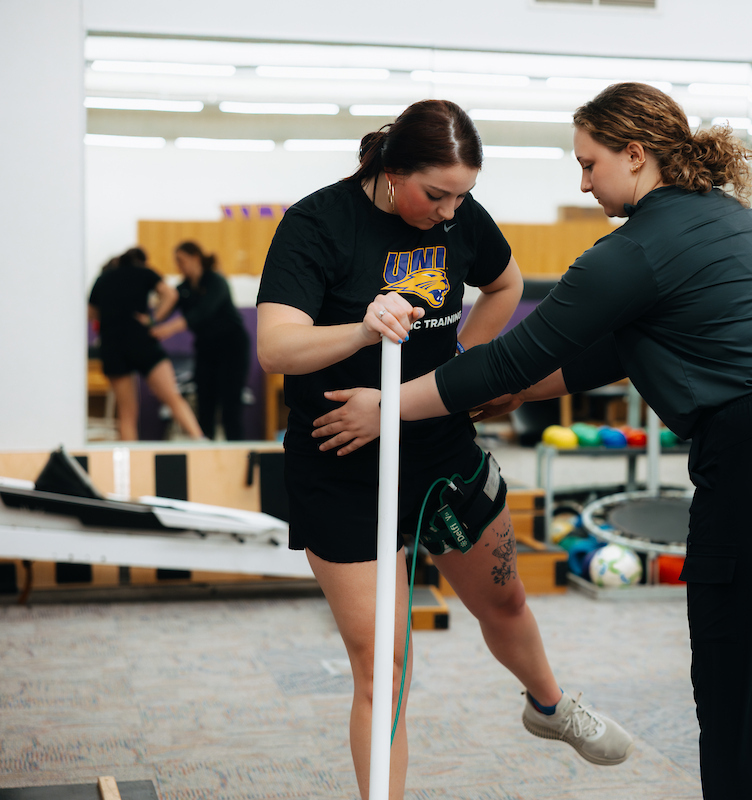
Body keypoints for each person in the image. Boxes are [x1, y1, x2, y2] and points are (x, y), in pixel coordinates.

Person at [377, 83, 752, 800]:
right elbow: (597, 355)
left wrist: (389, 406)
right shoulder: (731, 222)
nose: (582, 181)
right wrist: (509, 396)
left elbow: (515, 356)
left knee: (737, 705)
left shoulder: (634, 249)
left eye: (589, 163)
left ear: (636, 155)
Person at [255, 99, 633, 800]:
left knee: (506, 604)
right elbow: (276, 347)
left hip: (436, 446)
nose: (452, 211)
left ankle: (549, 707)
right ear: (391, 171)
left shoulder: (459, 215)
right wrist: (363, 330)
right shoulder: (317, 225)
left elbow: (506, 283)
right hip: (338, 460)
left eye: (464, 194)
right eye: (437, 194)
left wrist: (464, 370)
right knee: (385, 662)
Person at [88, 247, 204, 441]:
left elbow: (91, 314)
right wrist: (154, 318)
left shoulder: (102, 279)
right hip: (141, 341)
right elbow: (170, 295)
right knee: (172, 397)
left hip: (113, 346)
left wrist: (112, 316)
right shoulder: (144, 272)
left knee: (127, 413)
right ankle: (199, 441)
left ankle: (129, 464)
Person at [149, 242, 251, 440]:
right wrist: (154, 315)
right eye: (176, 262)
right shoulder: (183, 288)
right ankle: (206, 450)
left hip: (232, 348)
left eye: (181, 260)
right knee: (205, 404)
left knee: (231, 405)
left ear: (195, 257)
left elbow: (202, 312)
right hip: (206, 349)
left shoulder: (216, 281)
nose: (179, 266)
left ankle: (238, 453)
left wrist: (168, 329)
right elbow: (162, 312)